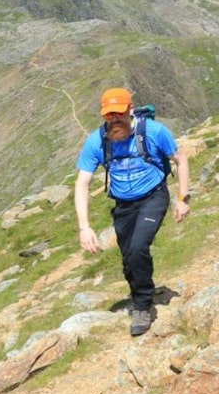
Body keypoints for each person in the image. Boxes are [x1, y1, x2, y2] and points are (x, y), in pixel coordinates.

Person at [74, 87, 190, 335]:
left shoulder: (154, 131)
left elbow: (180, 160)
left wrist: (182, 198)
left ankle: (142, 306)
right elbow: (82, 182)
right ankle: (140, 289)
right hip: (123, 205)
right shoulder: (97, 141)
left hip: (153, 197)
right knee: (129, 259)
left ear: (130, 109)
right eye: (108, 115)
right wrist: (84, 227)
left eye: (118, 114)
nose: (114, 120)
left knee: (138, 247)